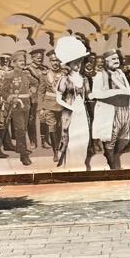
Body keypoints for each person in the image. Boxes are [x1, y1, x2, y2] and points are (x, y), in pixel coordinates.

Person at [90, 48, 130, 170]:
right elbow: (96, 93)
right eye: (113, 59)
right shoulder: (100, 75)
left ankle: (111, 156)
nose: (117, 61)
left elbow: (129, 92)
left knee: (124, 140)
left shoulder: (121, 74)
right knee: (110, 140)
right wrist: (116, 92)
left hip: (124, 110)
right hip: (110, 110)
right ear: (106, 61)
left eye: (117, 59)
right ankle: (113, 168)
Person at [53, 36, 91, 168]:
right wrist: (71, 107)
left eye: (80, 61)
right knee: (70, 140)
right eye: (75, 62)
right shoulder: (64, 79)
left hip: (82, 115)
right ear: (68, 64)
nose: (78, 65)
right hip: (70, 115)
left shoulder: (85, 79)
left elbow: (89, 95)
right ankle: (71, 166)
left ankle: (82, 164)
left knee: (84, 139)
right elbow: (58, 98)